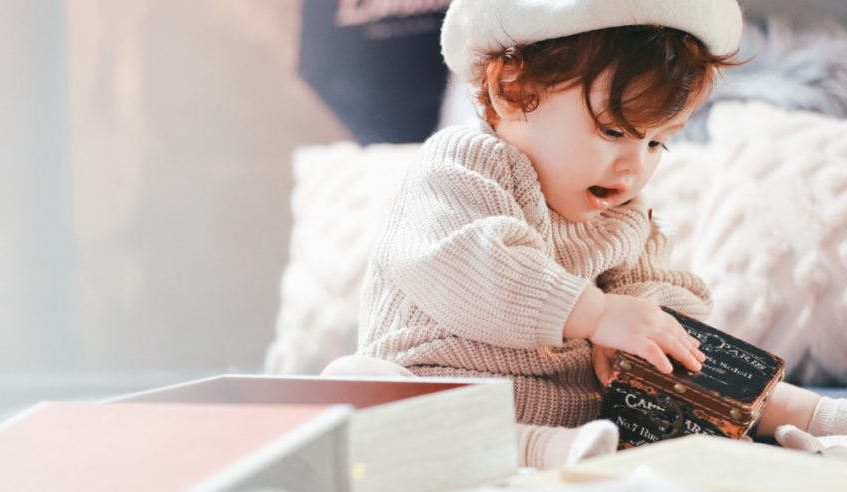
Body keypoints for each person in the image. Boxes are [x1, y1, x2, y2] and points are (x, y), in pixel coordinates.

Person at [332, 0, 847, 467]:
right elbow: (470, 265)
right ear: (511, 92)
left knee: (682, 354)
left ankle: (803, 421)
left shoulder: (621, 213)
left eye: (657, 144)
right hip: (448, 394)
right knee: (353, 389)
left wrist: (643, 327)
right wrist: (596, 315)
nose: (633, 165)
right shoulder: (463, 164)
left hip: (581, 408)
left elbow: (658, 291)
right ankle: (543, 452)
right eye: (613, 131)